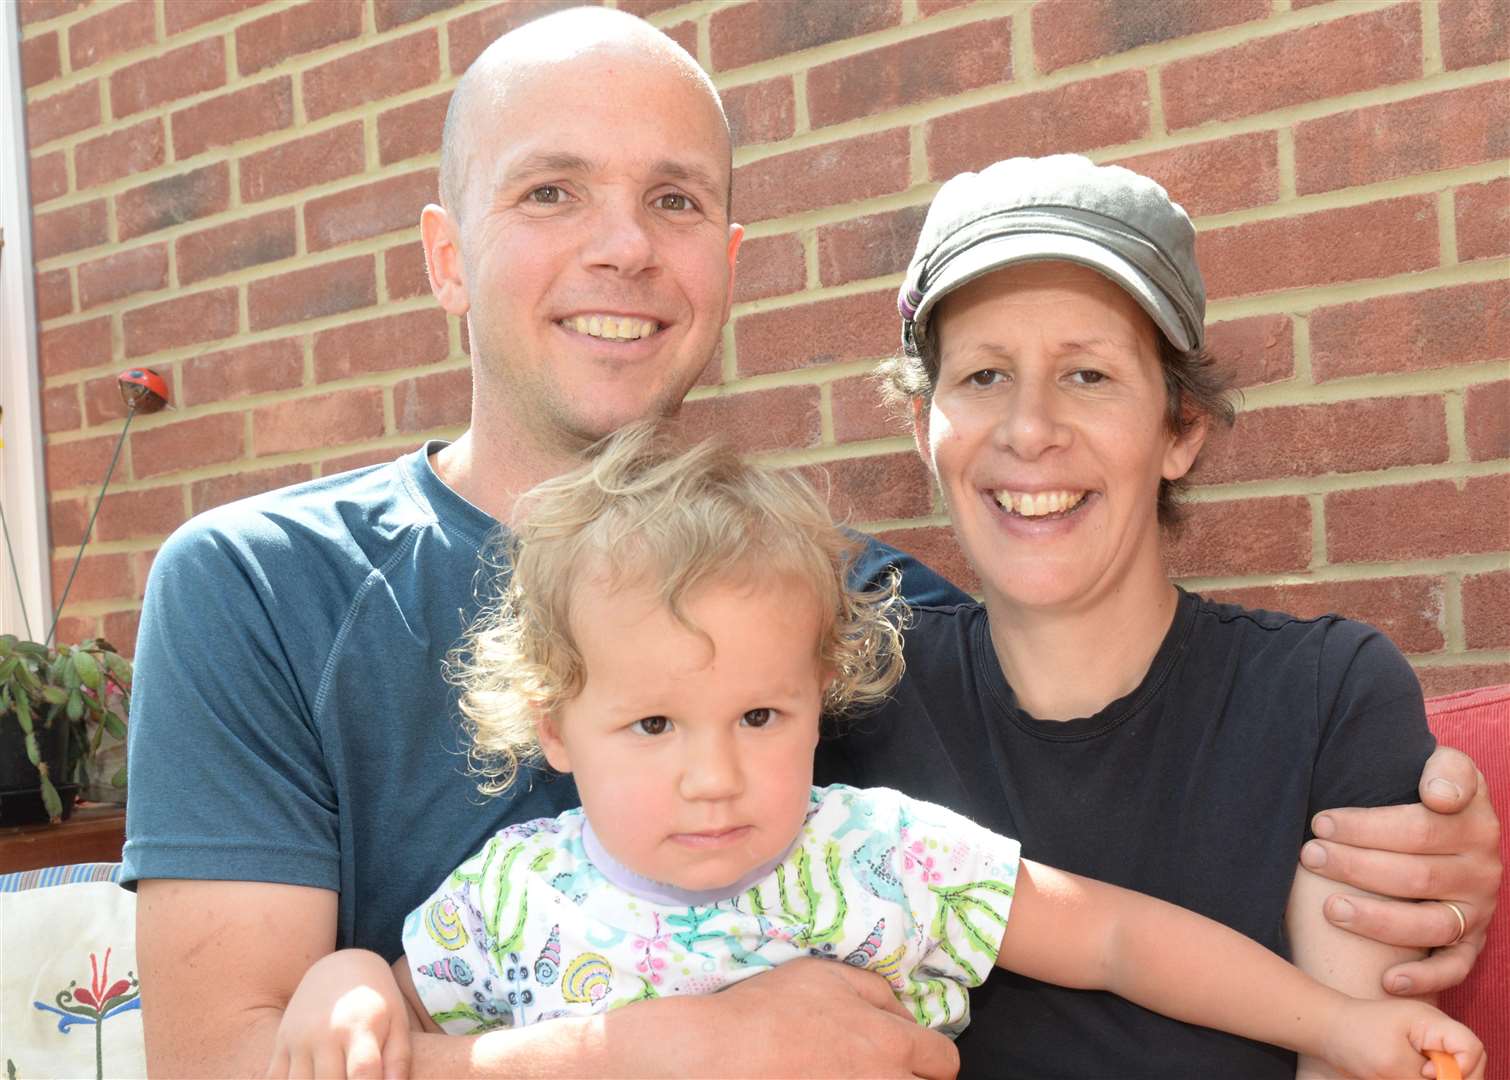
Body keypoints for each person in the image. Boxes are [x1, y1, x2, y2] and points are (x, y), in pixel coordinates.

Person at [123, 6, 1499, 1076]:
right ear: (443, 256)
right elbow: (223, 1066)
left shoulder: (857, 614)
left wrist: (1432, 840)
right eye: (549, 193)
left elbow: (1088, 892)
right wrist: (657, 1058)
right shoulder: (255, 585)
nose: (622, 248)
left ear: (729, 254)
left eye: (672, 200)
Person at [267, 426, 1481, 1080]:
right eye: (652, 725)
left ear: (820, 700)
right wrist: (347, 983)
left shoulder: (876, 854)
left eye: (760, 717)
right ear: (555, 729)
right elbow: (392, 992)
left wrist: (1333, 1025)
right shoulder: (512, 893)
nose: (714, 775)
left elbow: (1115, 936)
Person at [815, 152, 1501, 1078]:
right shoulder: (844, 691)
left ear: (1181, 428)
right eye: (981, 376)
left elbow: (1359, 1057)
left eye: (1088, 375)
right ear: (922, 429)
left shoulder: (1322, 698)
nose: (1028, 429)